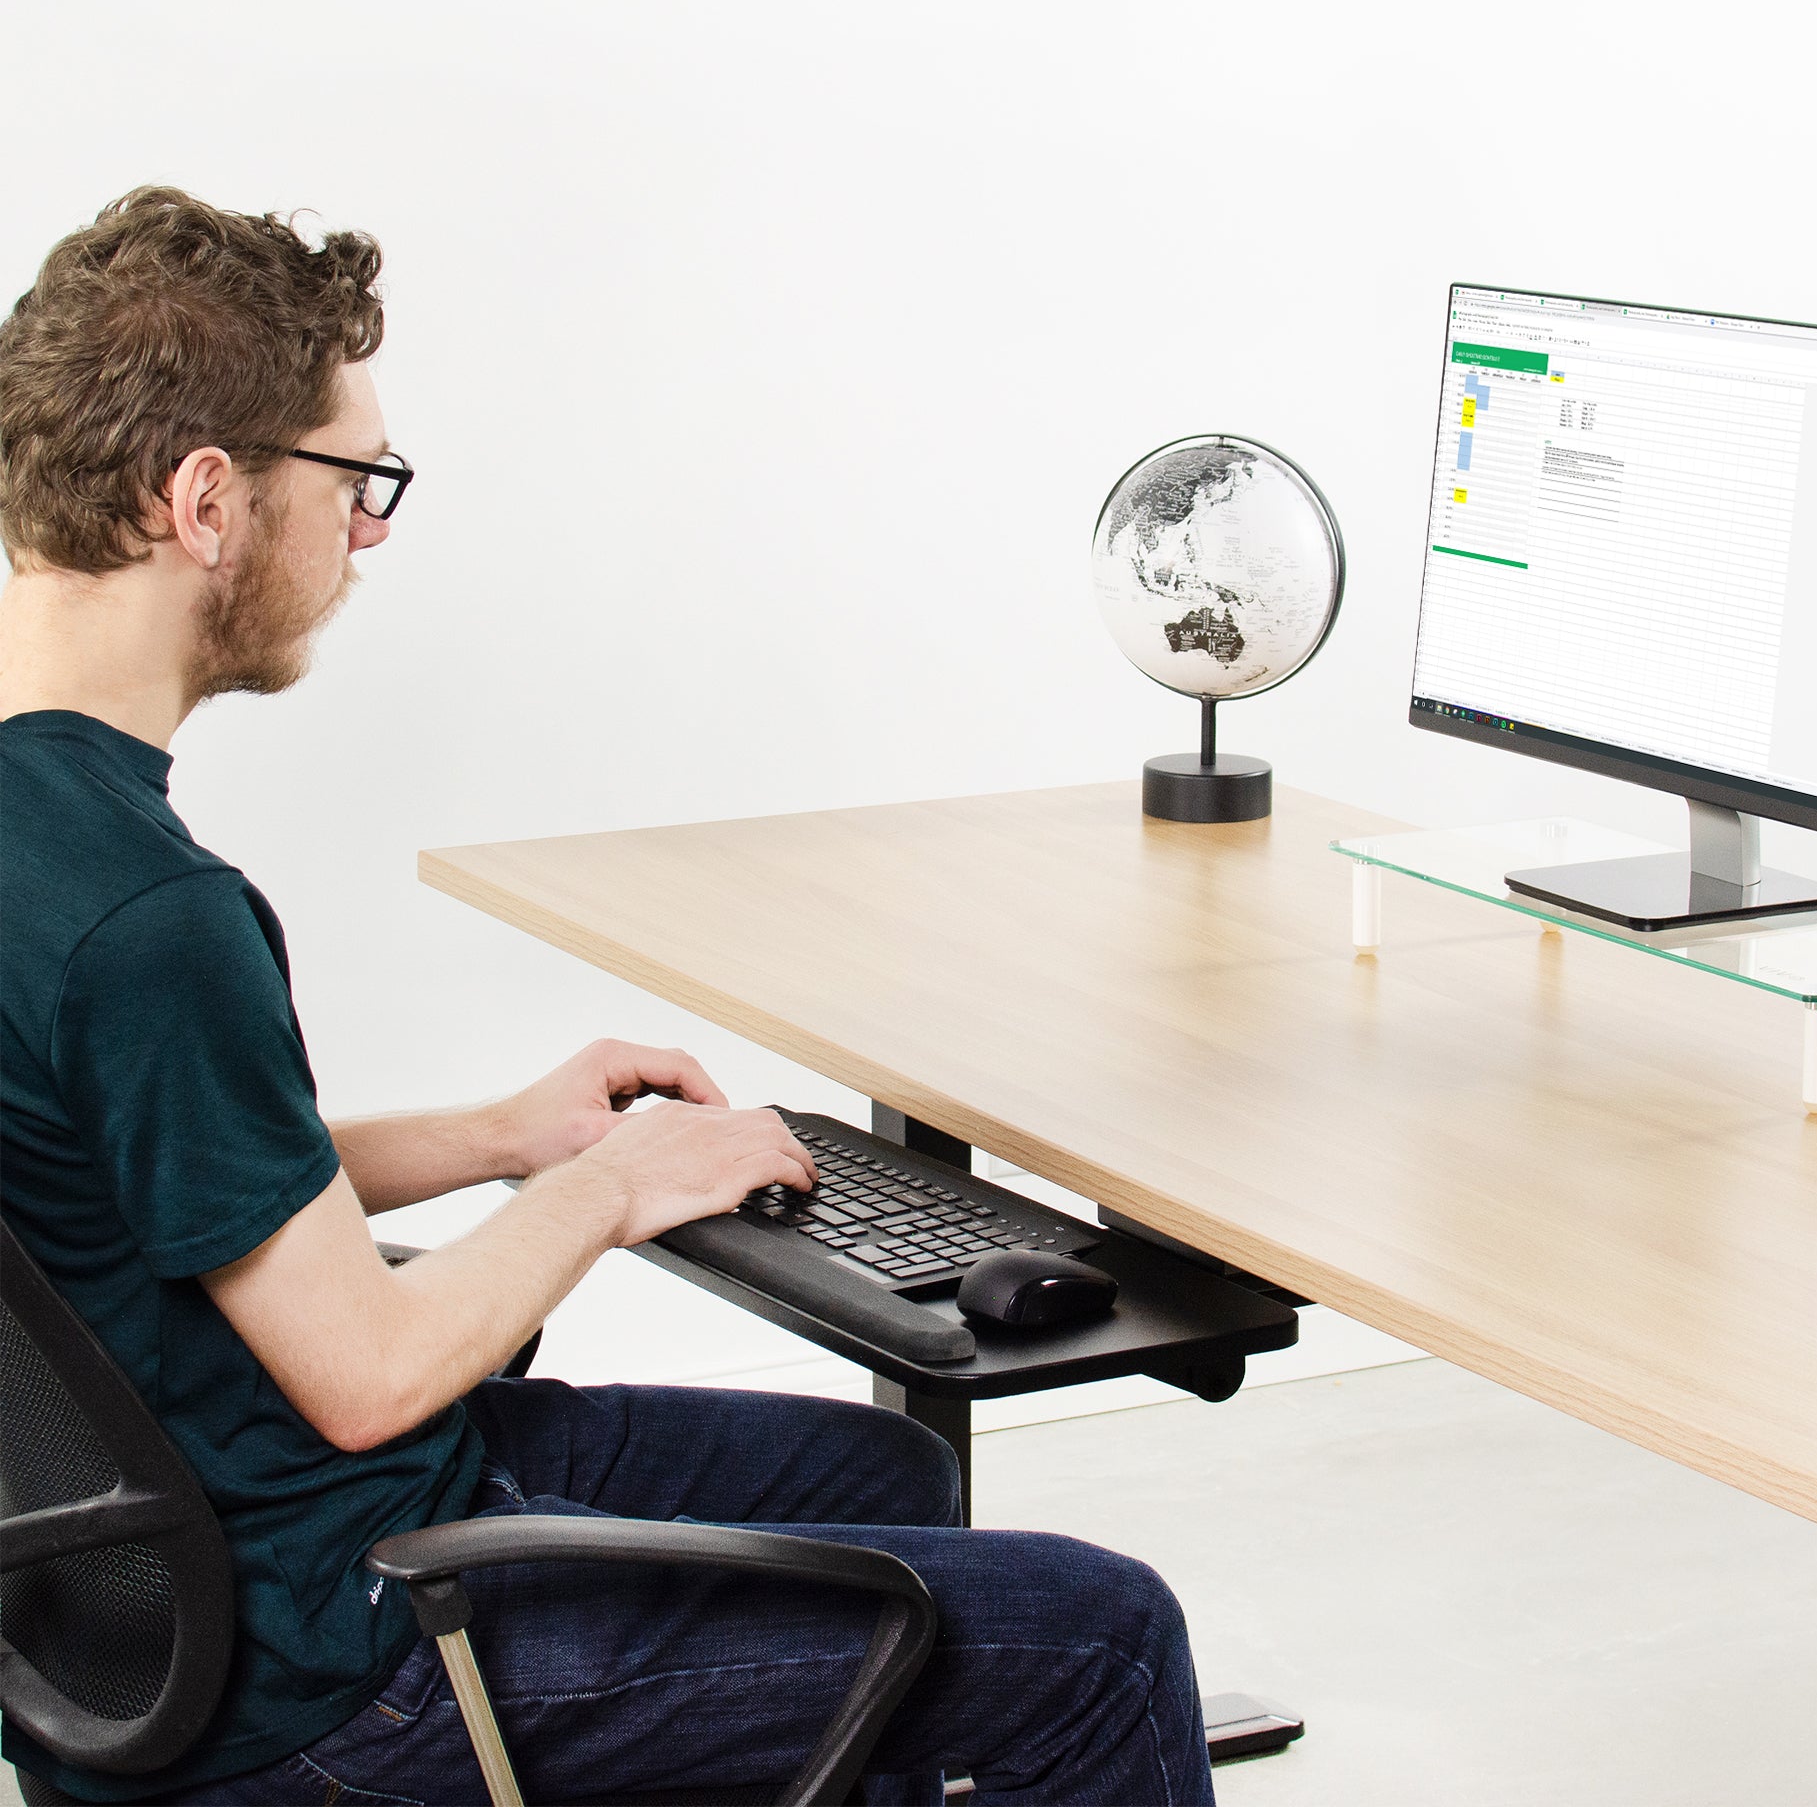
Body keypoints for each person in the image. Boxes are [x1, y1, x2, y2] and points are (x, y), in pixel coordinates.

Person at [0, 189, 1216, 1806]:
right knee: (1105, 1637)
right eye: (356, 482)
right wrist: (612, 1185)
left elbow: (154, 1188)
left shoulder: (45, 840)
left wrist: (498, 1135)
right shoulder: (152, 918)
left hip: (136, 1624)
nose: (368, 534)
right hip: (323, 1667)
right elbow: (362, 1368)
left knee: (891, 1465)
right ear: (209, 498)